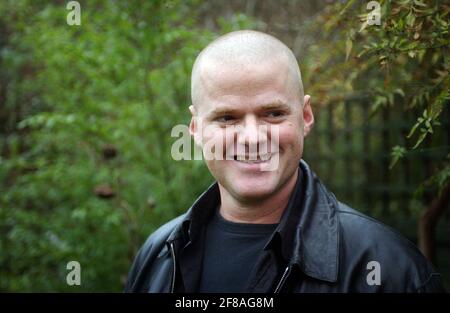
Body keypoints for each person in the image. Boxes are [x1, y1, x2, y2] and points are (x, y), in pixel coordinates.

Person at [125, 30, 445, 293]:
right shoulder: (159, 255)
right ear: (195, 128)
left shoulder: (387, 267)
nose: (252, 137)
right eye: (227, 118)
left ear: (305, 116)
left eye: (274, 114)